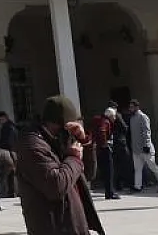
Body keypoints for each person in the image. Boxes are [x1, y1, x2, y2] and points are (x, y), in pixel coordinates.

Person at [12, 95, 103, 235]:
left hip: (73, 225)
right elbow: (55, 186)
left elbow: (89, 174)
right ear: (62, 125)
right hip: (53, 227)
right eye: (72, 124)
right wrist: (73, 158)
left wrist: (85, 142)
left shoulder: (59, 140)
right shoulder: (32, 145)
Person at [123, 101, 158, 193]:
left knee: (152, 166)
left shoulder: (143, 117)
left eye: (132, 107)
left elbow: (147, 132)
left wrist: (147, 145)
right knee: (137, 168)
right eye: (130, 107)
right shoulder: (132, 118)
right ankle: (137, 186)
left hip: (145, 148)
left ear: (137, 107)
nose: (130, 109)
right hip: (136, 148)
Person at [88, 108, 118, 200]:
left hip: (98, 148)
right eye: (114, 116)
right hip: (104, 149)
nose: (115, 118)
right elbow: (102, 131)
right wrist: (105, 144)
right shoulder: (105, 121)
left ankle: (109, 192)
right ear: (110, 116)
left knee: (105, 172)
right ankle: (110, 193)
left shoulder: (97, 120)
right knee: (109, 171)